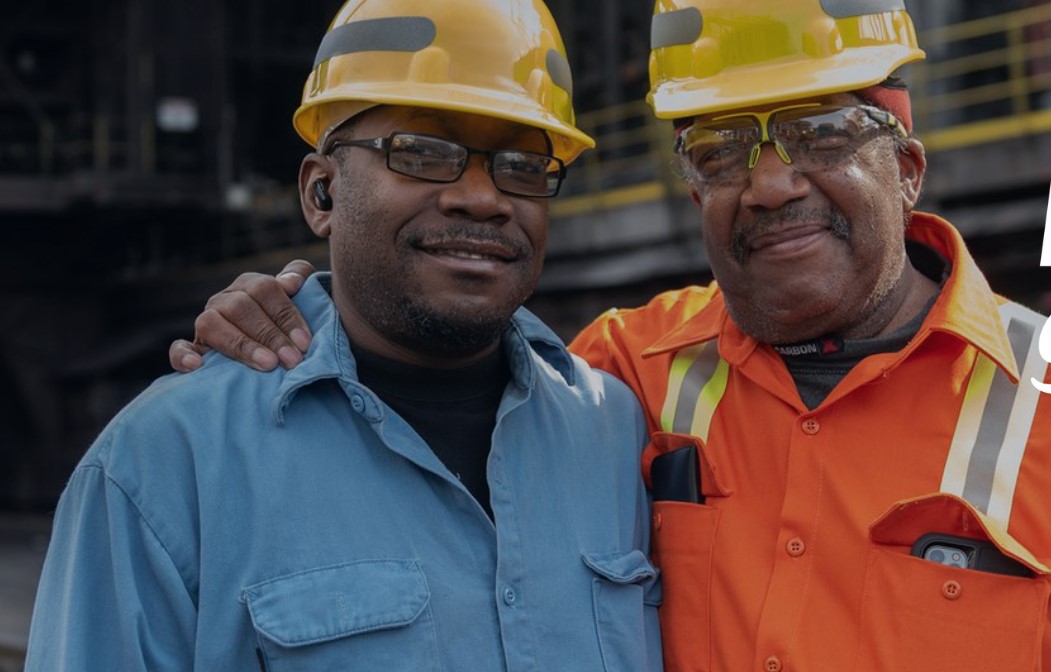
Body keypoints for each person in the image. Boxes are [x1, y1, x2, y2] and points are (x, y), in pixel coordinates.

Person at [171, 1, 1051, 669]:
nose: (772, 183)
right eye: (722, 148)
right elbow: (418, 364)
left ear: (908, 168)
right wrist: (288, 321)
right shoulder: (614, 380)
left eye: (824, 132)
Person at [28, 1, 660, 670]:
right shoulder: (162, 465)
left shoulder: (614, 435)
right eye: (422, 152)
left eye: (524, 165)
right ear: (321, 193)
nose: (483, 198)